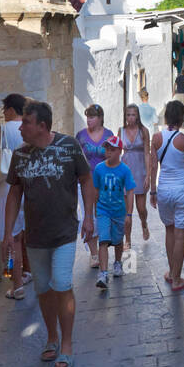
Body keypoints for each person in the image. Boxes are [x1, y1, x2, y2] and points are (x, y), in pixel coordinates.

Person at [4, 99, 96, 367]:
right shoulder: (20, 156)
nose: (20, 128)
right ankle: (52, 337)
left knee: (62, 284)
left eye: (26, 123)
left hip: (64, 231)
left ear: (42, 126)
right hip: (34, 236)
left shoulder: (69, 147)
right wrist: (9, 232)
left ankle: (66, 345)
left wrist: (89, 217)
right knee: (43, 289)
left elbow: (86, 179)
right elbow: (14, 192)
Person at [148, 99, 184, 292]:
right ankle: (177, 278)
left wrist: (152, 191)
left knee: (169, 231)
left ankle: (172, 273)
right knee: (180, 236)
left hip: (163, 189)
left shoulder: (156, 138)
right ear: (180, 119)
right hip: (183, 190)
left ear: (166, 117)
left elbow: (153, 166)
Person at [0, 93, 29, 299]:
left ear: (11, 110)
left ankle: (17, 283)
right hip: (27, 188)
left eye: (5, 109)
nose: (3, 114)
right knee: (21, 235)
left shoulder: (2, 131)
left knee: (11, 238)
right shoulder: (29, 129)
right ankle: (25, 273)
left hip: (7, 189)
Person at [91, 134, 136, 290]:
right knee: (103, 240)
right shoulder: (99, 169)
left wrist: (129, 214)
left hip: (119, 212)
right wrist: (95, 209)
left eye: (111, 149)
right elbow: (95, 189)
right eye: (106, 149)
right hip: (103, 210)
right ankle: (103, 274)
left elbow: (130, 192)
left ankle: (118, 262)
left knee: (117, 240)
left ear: (119, 151)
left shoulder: (124, 170)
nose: (107, 152)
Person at [75, 104, 113, 269]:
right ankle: (94, 254)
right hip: (85, 183)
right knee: (88, 216)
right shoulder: (81, 136)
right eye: (87, 117)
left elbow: (115, 157)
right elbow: (74, 158)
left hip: (105, 182)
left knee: (103, 216)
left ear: (100, 118)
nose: (89, 120)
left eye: (92, 117)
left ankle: (103, 248)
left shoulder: (109, 135)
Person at [120, 103, 151, 243]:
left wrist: (149, 175)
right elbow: (116, 152)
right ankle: (128, 239)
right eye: (128, 115)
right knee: (127, 210)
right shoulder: (120, 131)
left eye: (133, 114)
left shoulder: (143, 131)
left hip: (140, 172)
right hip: (125, 172)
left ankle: (144, 223)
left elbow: (147, 154)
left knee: (141, 208)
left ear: (137, 115)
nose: (130, 117)